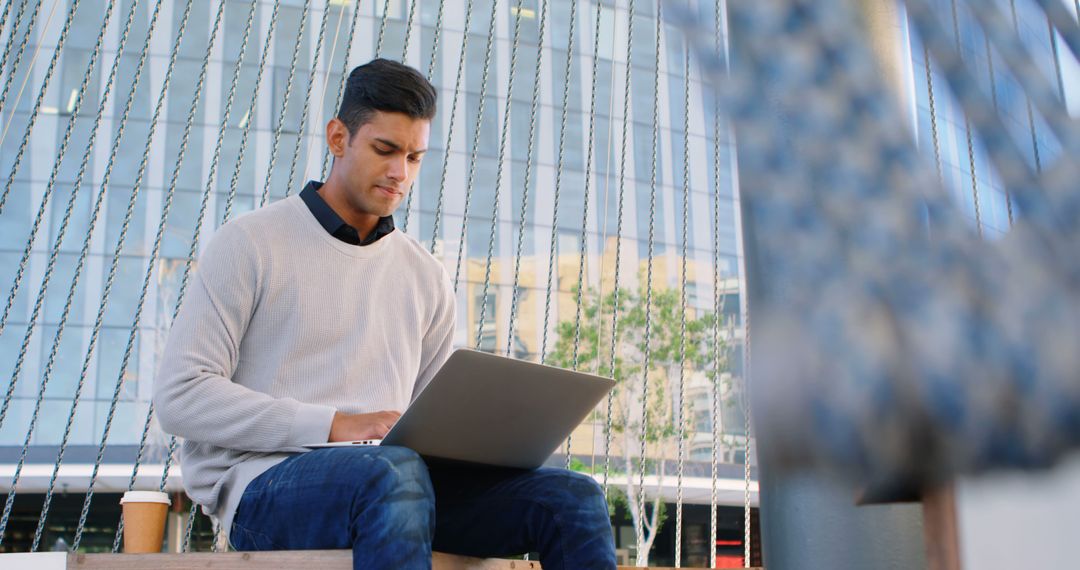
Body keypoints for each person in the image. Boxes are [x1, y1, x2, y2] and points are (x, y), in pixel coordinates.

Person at [153, 59, 617, 569]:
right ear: (338, 138)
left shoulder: (424, 275)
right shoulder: (249, 244)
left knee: (573, 499)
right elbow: (182, 397)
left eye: (415, 157)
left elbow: (430, 421)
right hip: (265, 486)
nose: (401, 173)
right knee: (394, 473)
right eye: (385, 150)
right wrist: (335, 424)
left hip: (401, 485)